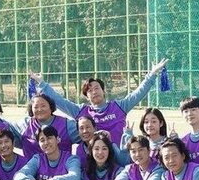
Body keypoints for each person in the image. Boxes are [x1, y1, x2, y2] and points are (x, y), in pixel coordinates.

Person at [29, 58, 168, 147]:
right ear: (87, 96)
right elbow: (60, 101)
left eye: (97, 88)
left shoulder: (119, 107)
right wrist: (42, 84)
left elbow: (138, 93)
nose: (94, 92)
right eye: (89, 91)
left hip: (118, 159)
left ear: (103, 91)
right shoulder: (81, 112)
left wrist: (152, 74)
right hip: (94, 158)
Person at [10, 93, 80, 159]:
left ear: (50, 107)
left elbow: (84, 136)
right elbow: (9, 134)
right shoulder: (25, 123)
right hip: (31, 167)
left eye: (43, 106)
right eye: (36, 107)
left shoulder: (66, 124)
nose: (40, 109)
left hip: (63, 166)